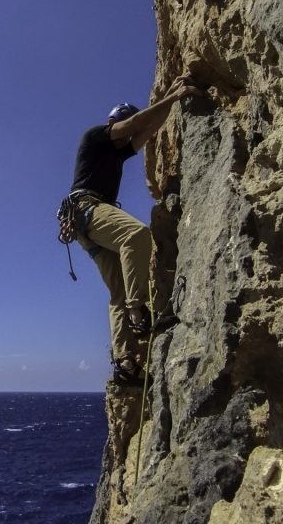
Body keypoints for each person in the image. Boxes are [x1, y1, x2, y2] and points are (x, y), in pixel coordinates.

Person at [67, 75, 204, 384]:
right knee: (136, 234)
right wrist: (172, 97)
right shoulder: (95, 137)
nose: (126, 133)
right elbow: (131, 128)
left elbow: (148, 128)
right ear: (114, 123)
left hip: (84, 225)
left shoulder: (117, 152)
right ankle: (138, 312)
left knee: (116, 293)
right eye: (123, 125)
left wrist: (170, 96)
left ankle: (125, 363)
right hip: (88, 210)